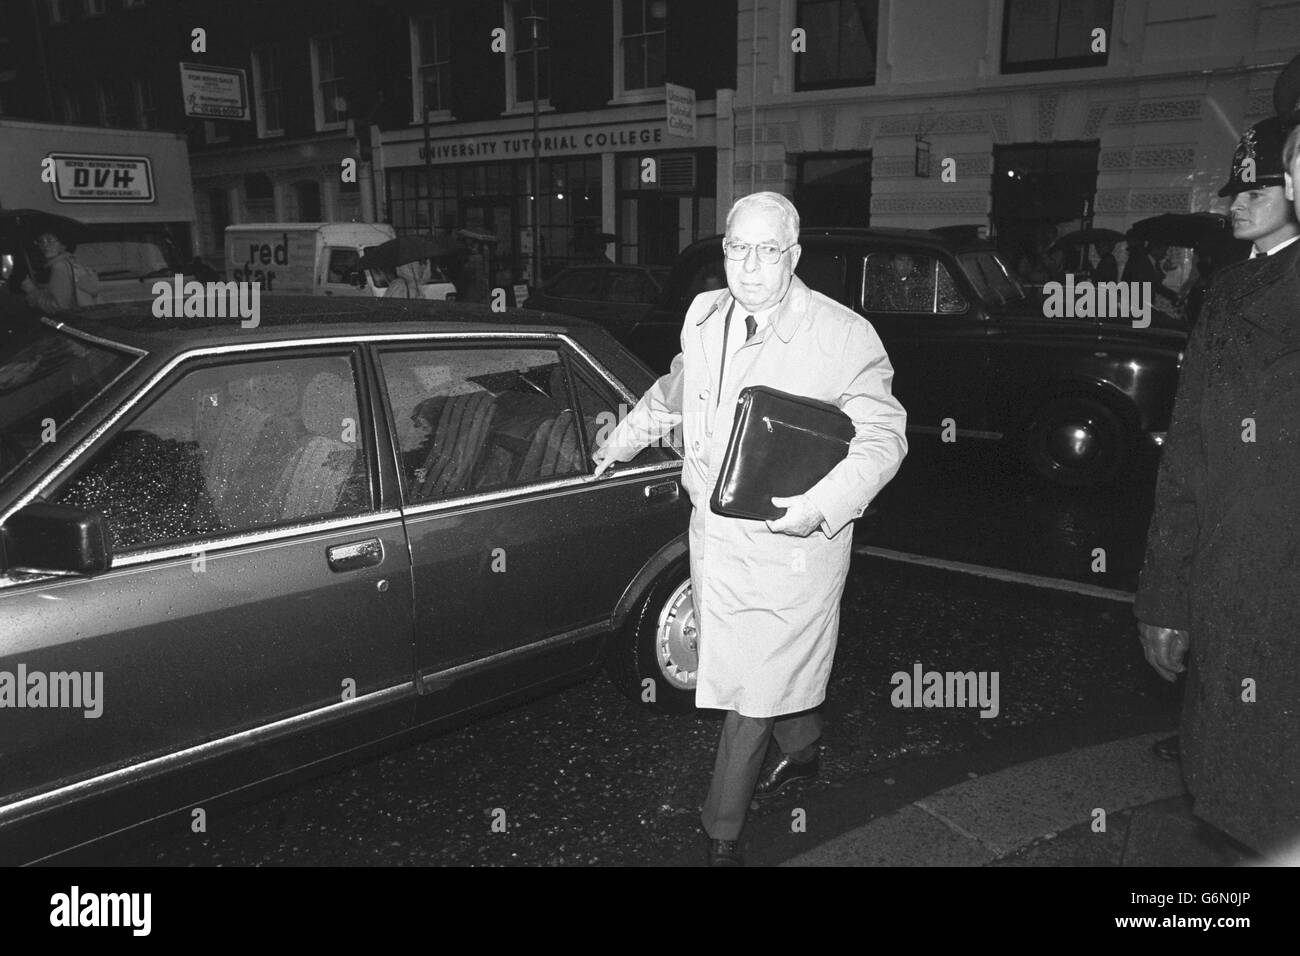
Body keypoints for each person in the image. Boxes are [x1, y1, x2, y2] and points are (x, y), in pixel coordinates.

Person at [592, 191, 907, 866]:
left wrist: (820, 505)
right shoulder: (705, 315)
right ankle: (806, 744)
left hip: (792, 546)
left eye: (769, 250)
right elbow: (675, 391)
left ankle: (721, 830)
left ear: (793, 256)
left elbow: (885, 438)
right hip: (713, 536)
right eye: (738, 248)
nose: (751, 265)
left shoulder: (843, 335)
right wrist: (619, 441)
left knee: (752, 695)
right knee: (750, 670)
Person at [1134, 103, 1300, 860]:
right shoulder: (1235, 294)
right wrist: (1167, 597)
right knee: (1243, 803)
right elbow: (1190, 463)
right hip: (1245, 594)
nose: (1236, 206)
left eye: (1254, 191)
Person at [1220, 116, 1299, 259]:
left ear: (1292, 191)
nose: (1234, 207)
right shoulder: (1224, 273)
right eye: (1235, 195)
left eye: (1254, 195)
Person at [20, 230, 82, 312]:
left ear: (63, 245)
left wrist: (31, 290)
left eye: (50, 241)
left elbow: (57, 307)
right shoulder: (72, 263)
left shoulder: (59, 267)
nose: (45, 245)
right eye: (41, 241)